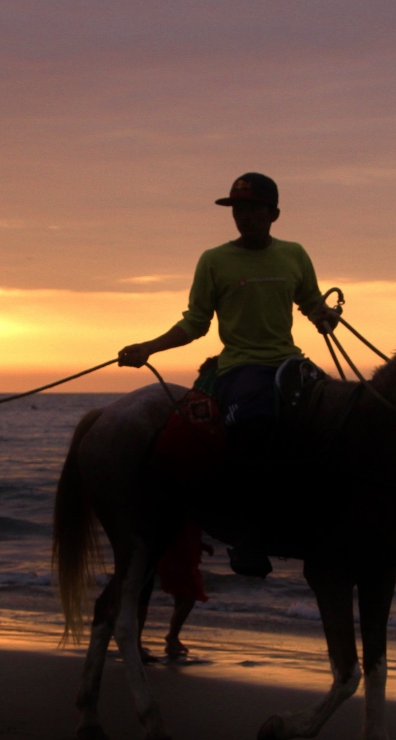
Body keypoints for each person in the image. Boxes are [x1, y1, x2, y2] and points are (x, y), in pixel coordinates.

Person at [118, 173, 339, 579]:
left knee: (336, 416)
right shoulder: (214, 260)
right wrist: (149, 347)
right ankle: (248, 533)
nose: (244, 216)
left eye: (253, 208)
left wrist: (325, 316)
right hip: (241, 365)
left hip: (290, 360)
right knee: (255, 423)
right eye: (238, 209)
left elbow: (311, 303)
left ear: (273, 214)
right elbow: (196, 322)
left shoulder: (294, 254)